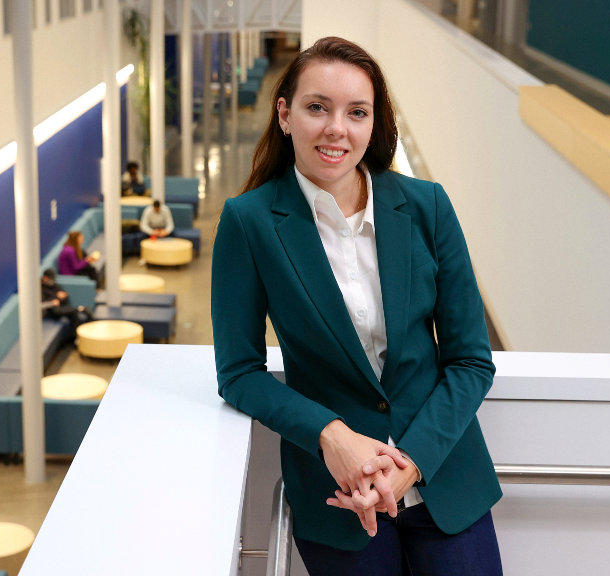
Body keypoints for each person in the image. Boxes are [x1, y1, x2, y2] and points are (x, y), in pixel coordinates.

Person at [212, 37, 502, 575]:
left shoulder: (427, 207)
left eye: (357, 112)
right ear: (285, 114)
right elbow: (238, 373)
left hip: (443, 478)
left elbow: (471, 360)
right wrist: (332, 435)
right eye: (317, 107)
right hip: (338, 498)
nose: (336, 129)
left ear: (373, 124)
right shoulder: (249, 223)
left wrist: (409, 464)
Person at [41, 269, 90, 337]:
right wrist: (56, 297)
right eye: (50, 279)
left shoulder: (55, 285)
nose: (52, 281)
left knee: (75, 315)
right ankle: (79, 309)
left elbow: (64, 297)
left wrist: (59, 298)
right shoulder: (40, 288)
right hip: (52, 310)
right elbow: (45, 303)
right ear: (45, 277)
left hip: (62, 306)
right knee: (73, 312)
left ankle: (76, 337)